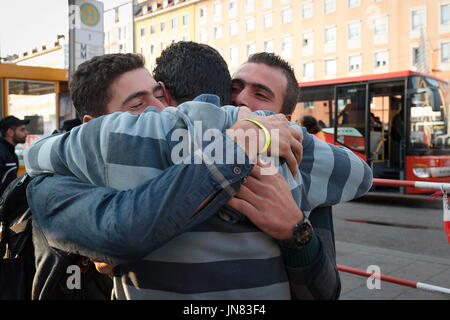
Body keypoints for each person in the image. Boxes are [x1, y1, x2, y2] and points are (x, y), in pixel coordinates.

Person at [26, 44, 372, 299]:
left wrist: (296, 233)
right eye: (234, 90)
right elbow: (122, 231)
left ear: (285, 117)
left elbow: (325, 293)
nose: (240, 103)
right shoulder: (111, 159)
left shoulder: (297, 169)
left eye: (261, 96)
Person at [0, 116, 29, 195]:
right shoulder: (2, 153)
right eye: (22, 130)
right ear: (10, 132)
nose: (26, 133)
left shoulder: (12, 154)